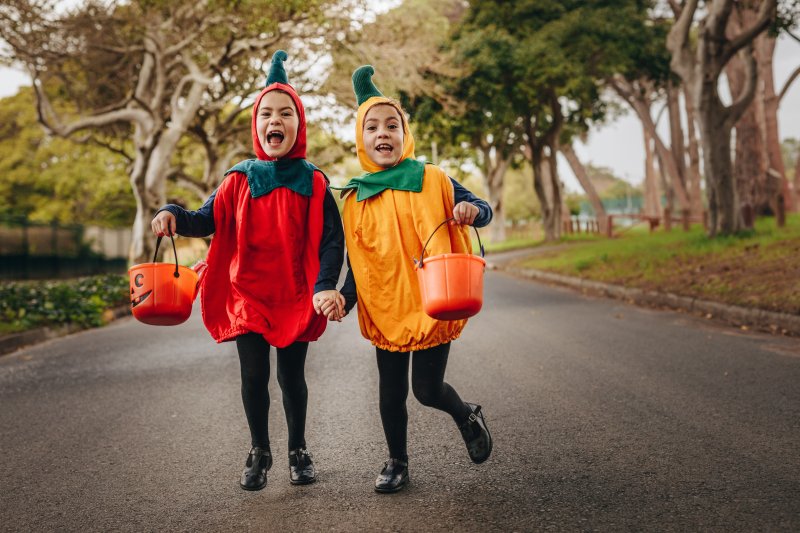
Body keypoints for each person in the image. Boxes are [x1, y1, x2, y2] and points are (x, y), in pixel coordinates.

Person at [150, 50, 344, 491]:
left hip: (295, 295)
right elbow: (205, 219)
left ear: (299, 124)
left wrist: (325, 285)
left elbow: (332, 241)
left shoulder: (315, 181)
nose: (275, 121)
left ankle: (298, 449)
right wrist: (171, 213)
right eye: (267, 114)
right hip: (246, 294)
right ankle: (260, 449)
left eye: (286, 113)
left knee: (292, 378)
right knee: (254, 376)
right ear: (257, 125)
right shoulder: (239, 177)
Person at [319, 65, 493, 494]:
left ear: (404, 134)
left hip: (435, 298)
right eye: (372, 126)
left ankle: (466, 413)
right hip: (386, 307)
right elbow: (361, 265)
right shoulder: (355, 198)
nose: (383, 133)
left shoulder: (431, 177)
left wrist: (474, 211)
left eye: (392, 125)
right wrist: (343, 297)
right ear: (361, 140)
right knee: (391, 392)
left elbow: (480, 207)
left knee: (427, 390)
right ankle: (397, 462)